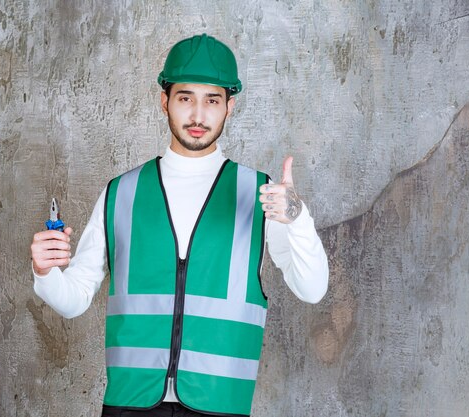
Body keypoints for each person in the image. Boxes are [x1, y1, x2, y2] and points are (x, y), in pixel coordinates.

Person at [30, 33, 329, 417]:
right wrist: (45, 271)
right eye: (186, 98)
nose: (198, 115)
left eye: (212, 100)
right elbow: (73, 301)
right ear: (164, 101)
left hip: (219, 406)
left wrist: (297, 218)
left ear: (229, 107)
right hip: (129, 404)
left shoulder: (261, 194)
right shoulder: (121, 193)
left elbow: (313, 289)